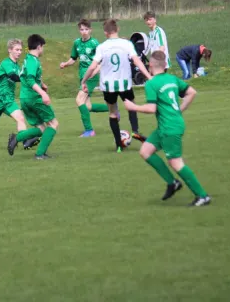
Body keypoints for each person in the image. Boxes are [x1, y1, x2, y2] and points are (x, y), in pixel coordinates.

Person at [124, 51, 211, 206]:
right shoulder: (172, 79)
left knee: (175, 162)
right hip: (171, 124)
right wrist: (179, 110)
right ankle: (172, 183)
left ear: (150, 65)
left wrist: (133, 106)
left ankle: (202, 195)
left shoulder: (151, 84)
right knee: (145, 151)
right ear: (165, 65)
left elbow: (151, 108)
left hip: (169, 127)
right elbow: (192, 92)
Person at [81, 19, 152, 152]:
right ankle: (135, 130)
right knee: (132, 106)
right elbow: (137, 61)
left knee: (113, 113)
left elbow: (92, 66)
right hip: (124, 83)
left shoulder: (101, 47)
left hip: (108, 86)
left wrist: (84, 80)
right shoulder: (127, 44)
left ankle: (119, 145)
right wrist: (148, 76)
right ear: (117, 29)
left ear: (105, 33)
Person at [11, 34, 59, 160]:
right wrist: (43, 93)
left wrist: (42, 84)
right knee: (53, 123)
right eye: (43, 47)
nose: (43, 50)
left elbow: (28, 77)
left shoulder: (28, 59)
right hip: (33, 98)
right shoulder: (33, 61)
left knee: (41, 128)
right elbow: (31, 80)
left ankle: (16, 138)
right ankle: (39, 154)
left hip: (25, 98)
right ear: (39, 46)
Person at [59, 19, 109, 137]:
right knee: (87, 106)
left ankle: (89, 130)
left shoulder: (95, 43)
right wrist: (65, 64)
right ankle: (112, 109)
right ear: (79, 30)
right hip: (82, 77)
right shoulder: (77, 43)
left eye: (86, 29)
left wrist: (94, 72)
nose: (84, 32)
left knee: (79, 100)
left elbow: (102, 61)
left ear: (90, 30)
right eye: (82, 29)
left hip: (91, 77)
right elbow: (73, 58)